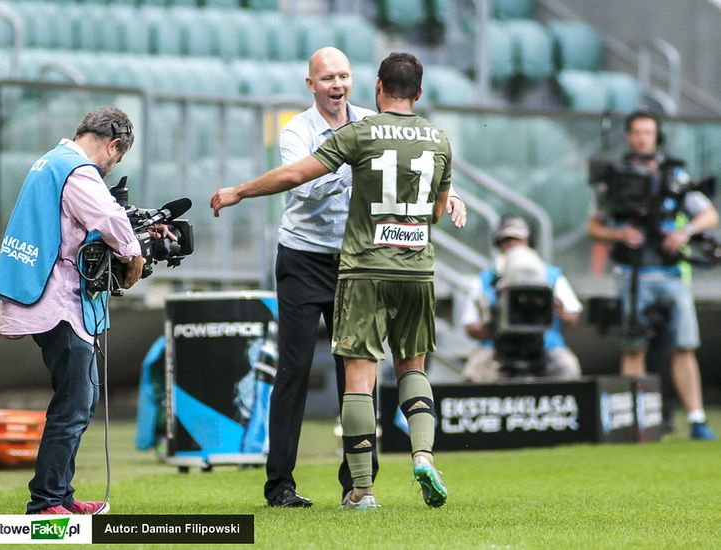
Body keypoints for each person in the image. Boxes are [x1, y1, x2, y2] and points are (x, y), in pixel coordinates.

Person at [212, 52, 455, 509]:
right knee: (298, 370)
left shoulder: (365, 128)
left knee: (356, 377)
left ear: (373, 84)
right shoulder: (301, 130)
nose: (337, 84)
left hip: (356, 264)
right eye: (328, 77)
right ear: (311, 84)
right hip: (310, 258)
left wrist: (240, 190)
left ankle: (358, 485)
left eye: (344, 76)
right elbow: (304, 185)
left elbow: (396, 169)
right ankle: (284, 483)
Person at [0, 107, 146, 514]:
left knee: (79, 398)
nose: (111, 168)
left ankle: (59, 494)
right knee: (75, 402)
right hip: (56, 300)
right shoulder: (78, 170)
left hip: (44, 295)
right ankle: (45, 502)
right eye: (117, 158)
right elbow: (108, 216)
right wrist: (135, 254)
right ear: (112, 145)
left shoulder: (50, 161)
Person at [588, 110, 717, 440]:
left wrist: (684, 232)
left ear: (656, 136)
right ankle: (637, 422)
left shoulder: (675, 173)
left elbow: (708, 215)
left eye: (648, 132)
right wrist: (619, 236)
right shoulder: (615, 178)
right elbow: (594, 225)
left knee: (684, 345)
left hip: (671, 272)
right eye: (637, 132)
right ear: (629, 136)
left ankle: (697, 419)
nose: (643, 137)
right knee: (634, 346)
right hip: (632, 272)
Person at [462, 215, 582, 382]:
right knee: (475, 371)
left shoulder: (552, 277)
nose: (511, 245)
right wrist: (492, 322)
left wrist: (559, 311)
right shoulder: (485, 280)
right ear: (498, 245)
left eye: (517, 240)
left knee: (568, 367)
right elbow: (470, 326)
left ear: (529, 242)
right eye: (505, 241)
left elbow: (573, 317)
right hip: (497, 349)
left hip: (545, 346)